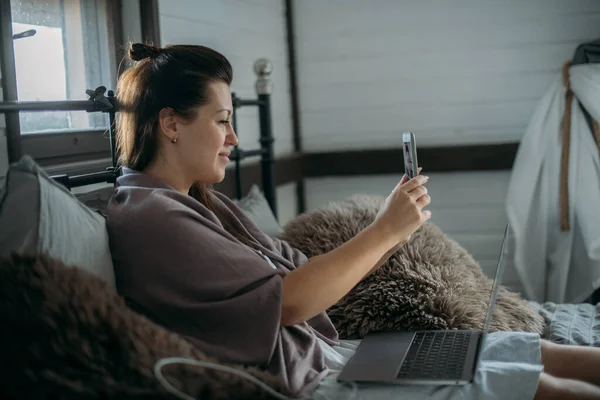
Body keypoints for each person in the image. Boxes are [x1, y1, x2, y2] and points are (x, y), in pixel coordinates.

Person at [106, 42, 600, 400]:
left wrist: (393, 230)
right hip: (310, 379)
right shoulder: (153, 218)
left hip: (332, 353)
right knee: (538, 385)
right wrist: (383, 230)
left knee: (533, 351)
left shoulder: (201, 203)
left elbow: (300, 270)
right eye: (222, 120)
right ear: (170, 124)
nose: (233, 138)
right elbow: (291, 301)